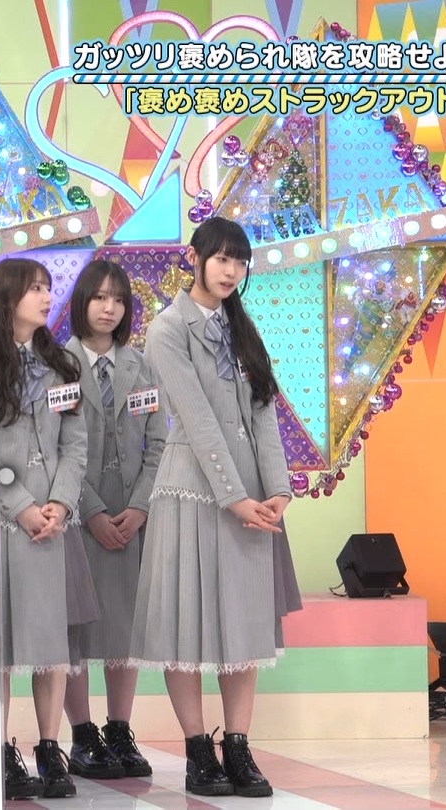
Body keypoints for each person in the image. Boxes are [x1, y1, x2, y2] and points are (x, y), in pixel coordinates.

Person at [131, 217, 290, 798]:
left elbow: (264, 413)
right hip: (192, 491)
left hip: (251, 495)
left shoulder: (242, 328)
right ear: (194, 258)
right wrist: (235, 498)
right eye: (221, 258)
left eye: (240, 261)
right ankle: (199, 750)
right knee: (186, 623)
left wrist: (277, 490)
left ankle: (239, 747)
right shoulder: (167, 328)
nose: (230, 270)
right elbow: (197, 420)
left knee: (243, 621)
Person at [0, 257, 88, 800]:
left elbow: (76, 445)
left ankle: (50, 748)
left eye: (48, 288)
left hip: (52, 521)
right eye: (35, 289)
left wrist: (60, 503)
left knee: (50, 641)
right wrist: (22, 504)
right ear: (7, 298)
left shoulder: (62, 363)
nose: (47, 297)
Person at [60, 260, 166, 780]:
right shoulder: (56, 365)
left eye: (119, 299)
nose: (109, 308)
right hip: (73, 513)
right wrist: (92, 511)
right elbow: (52, 448)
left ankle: (119, 730)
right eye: (100, 297)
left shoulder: (141, 366)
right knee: (76, 629)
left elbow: (160, 442)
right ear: (81, 302)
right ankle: (82, 735)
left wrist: (140, 506)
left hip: (130, 516)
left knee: (125, 626)